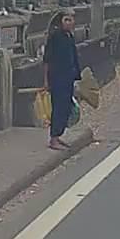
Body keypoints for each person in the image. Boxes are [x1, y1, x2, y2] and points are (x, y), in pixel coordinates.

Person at [42, 8, 82, 151]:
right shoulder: (55, 37)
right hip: (57, 77)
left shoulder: (69, 36)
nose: (69, 23)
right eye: (66, 20)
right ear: (61, 22)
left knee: (66, 107)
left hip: (68, 77)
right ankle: (53, 138)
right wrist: (46, 80)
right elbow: (47, 59)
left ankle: (58, 135)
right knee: (58, 107)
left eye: (71, 20)